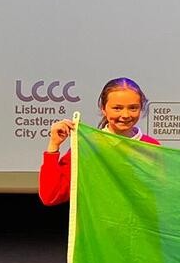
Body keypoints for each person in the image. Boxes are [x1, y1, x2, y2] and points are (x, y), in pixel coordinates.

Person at [38, 77, 160, 205]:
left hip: (141, 225)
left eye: (133, 108)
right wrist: (53, 145)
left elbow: (163, 194)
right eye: (117, 108)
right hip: (98, 225)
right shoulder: (88, 147)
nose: (125, 115)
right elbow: (51, 195)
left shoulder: (151, 146)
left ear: (141, 108)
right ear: (103, 108)